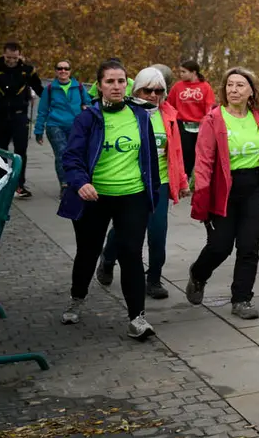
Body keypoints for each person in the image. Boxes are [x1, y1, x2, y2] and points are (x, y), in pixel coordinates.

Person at [58, 60, 159, 339]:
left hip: (132, 197)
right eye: (110, 82)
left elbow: (149, 156)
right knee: (88, 252)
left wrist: (154, 192)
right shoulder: (88, 118)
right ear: (99, 86)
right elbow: (71, 157)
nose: (116, 86)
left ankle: (137, 318)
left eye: (121, 81)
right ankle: (77, 298)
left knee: (131, 254)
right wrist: (81, 183)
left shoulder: (140, 116)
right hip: (95, 197)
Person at [185, 67, 259, 321]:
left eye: (240, 85)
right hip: (223, 189)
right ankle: (199, 274)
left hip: (253, 187)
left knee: (249, 245)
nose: (233, 90)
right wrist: (201, 195)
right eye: (229, 85)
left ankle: (242, 299)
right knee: (220, 246)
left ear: (251, 91)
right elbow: (203, 161)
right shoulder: (214, 119)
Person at [97, 67, 190, 299]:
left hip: (160, 183)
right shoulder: (126, 113)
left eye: (158, 91)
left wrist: (182, 181)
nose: (152, 95)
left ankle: (154, 278)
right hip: (133, 184)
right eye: (147, 89)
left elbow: (175, 151)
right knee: (123, 232)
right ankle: (108, 259)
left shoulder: (168, 115)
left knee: (158, 232)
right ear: (136, 89)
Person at [0, 42, 43, 198]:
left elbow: (40, 89)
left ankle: (19, 184)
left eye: (14, 57)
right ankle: (3, 181)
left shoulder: (27, 71)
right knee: (0, 150)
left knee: (21, 151)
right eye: (8, 57)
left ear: (19, 55)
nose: (11, 60)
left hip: (19, 115)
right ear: (3, 54)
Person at [34, 58, 91, 196]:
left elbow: (88, 103)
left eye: (66, 68)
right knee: (62, 154)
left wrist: (86, 109)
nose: (63, 71)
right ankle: (65, 185)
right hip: (55, 126)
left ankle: (77, 182)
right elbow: (42, 111)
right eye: (60, 68)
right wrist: (38, 130)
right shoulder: (49, 89)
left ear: (70, 71)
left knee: (77, 155)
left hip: (76, 126)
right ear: (56, 71)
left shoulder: (79, 87)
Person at [166, 60, 216, 185]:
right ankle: (184, 179)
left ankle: (198, 180)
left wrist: (208, 123)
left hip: (200, 126)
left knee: (198, 154)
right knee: (184, 153)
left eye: (184, 72)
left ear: (193, 72)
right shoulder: (178, 86)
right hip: (182, 124)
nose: (181, 74)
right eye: (180, 72)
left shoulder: (205, 87)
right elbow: (169, 105)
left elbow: (209, 107)